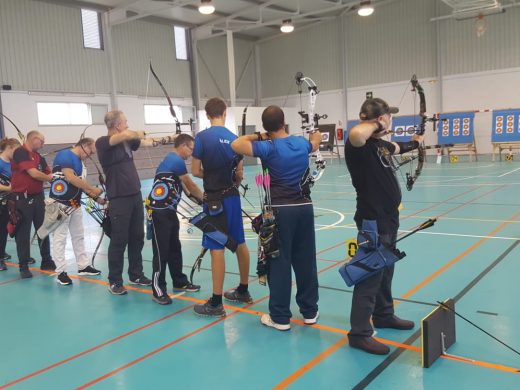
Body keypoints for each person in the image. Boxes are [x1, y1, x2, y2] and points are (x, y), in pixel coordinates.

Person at [344, 97, 423, 355]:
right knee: (369, 274)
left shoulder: (379, 144)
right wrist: (375, 124)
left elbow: (396, 148)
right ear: (380, 118)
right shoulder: (358, 144)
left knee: (385, 269)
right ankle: (359, 333)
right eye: (388, 116)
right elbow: (357, 132)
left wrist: (416, 143)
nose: (391, 120)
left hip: (388, 218)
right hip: (372, 220)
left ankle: (384, 314)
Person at [231, 105, 321, 330]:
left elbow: (237, 144)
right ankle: (310, 311)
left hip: (280, 210)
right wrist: (313, 127)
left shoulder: (268, 147)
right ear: (284, 123)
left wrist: (260, 135)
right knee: (305, 260)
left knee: (279, 262)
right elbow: (316, 139)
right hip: (304, 208)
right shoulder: (301, 143)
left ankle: (280, 317)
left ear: (266, 128)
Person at [191, 97, 252, 317]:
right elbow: (239, 174)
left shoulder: (202, 138)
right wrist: (230, 180)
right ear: (224, 113)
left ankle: (216, 303)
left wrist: (212, 175)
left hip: (214, 199)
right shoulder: (235, 139)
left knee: (217, 247)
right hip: (232, 198)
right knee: (240, 242)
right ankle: (243, 290)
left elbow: (195, 170)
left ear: (207, 115)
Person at [96, 110, 156, 295]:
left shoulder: (127, 140)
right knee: (119, 240)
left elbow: (146, 142)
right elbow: (126, 135)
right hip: (119, 197)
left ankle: (135, 274)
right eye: (125, 121)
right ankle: (114, 280)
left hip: (134, 194)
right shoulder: (103, 142)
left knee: (137, 237)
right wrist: (137, 132)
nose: (127, 124)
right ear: (117, 125)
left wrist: (169, 138)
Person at [146, 133, 204, 305]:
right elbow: (191, 185)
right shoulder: (175, 160)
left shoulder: (174, 162)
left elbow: (186, 189)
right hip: (159, 212)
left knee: (174, 248)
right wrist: (206, 200)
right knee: (161, 252)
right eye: (191, 149)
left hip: (169, 212)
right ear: (183, 146)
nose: (191, 153)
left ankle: (179, 281)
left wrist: (200, 200)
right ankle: (158, 290)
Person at [49, 137, 106, 285]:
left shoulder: (81, 163)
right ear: (84, 146)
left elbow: (80, 183)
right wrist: (93, 189)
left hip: (74, 203)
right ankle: (61, 272)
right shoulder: (65, 155)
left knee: (79, 235)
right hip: (60, 202)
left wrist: (98, 199)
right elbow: (70, 177)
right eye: (90, 152)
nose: (90, 156)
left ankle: (83, 265)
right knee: (60, 238)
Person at [10, 131, 54, 278]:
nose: (43, 144)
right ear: (34, 139)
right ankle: (23, 266)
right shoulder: (20, 152)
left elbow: (49, 172)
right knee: (23, 233)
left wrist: (53, 176)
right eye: (41, 141)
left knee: (44, 228)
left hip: (38, 197)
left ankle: (46, 260)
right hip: (22, 198)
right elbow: (34, 174)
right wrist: (48, 177)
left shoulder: (39, 157)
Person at [0, 138, 21, 271]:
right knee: (1, 230)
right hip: (2, 200)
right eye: (16, 150)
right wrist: (11, 188)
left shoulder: (14, 162)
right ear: (10, 147)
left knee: (11, 227)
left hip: (12, 200)